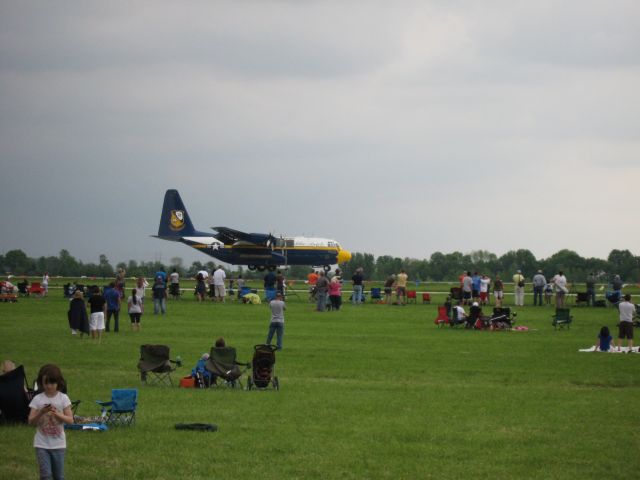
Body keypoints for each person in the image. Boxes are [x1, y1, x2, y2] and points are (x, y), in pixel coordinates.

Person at [28, 364, 74, 480]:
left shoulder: (63, 398)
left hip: (59, 445)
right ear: (41, 383)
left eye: (52, 383)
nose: (49, 386)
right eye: (45, 383)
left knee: (59, 476)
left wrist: (57, 414)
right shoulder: (37, 399)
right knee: (45, 475)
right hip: (41, 444)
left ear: (58, 382)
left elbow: (70, 420)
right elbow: (31, 422)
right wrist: (41, 412)